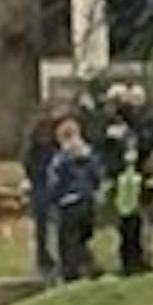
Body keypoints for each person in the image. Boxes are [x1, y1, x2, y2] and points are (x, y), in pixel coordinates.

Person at [100, 82, 153, 277]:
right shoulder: (107, 123)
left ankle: (139, 258)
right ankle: (128, 259)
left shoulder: (139, 122)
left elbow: (146, 141)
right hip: (120, 175)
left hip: (135, 174)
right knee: (125, 219)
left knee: (137, 219)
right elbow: (105, 149)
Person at [44, 116, 103, 283]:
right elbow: (97, 176)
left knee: (67, 241)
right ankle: (89, 265)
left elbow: (54, 182)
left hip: (68, 203)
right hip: (87, 200)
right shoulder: (88, 154)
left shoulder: (61, 159)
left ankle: (71, 273)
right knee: (81, 238)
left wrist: (53, 198)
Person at [21, 107, 64, 280]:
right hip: (48, 192)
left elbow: (29, 167)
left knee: (42, 230)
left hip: (41, 191)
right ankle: (51, 262)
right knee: (51, 228)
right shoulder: (53, 149)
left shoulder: (34, 148)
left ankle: (44, 262)